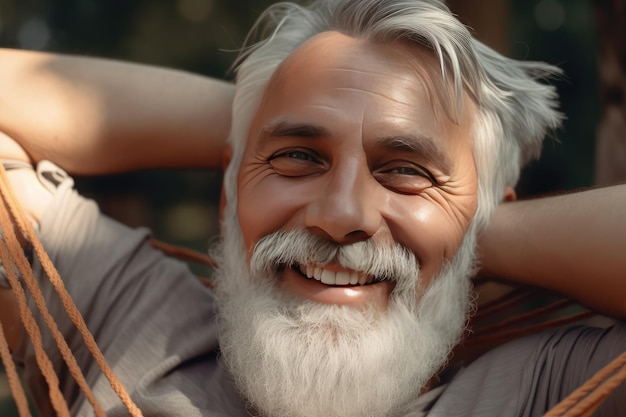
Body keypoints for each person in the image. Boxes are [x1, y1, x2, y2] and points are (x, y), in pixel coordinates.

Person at [0, 0, 625, 416]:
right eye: (298, 158)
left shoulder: (540, 392)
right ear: (228, 194)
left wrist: (471, 237)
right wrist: (252, 116)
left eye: (406, 170)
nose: (342, 212)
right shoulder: (134, 325)